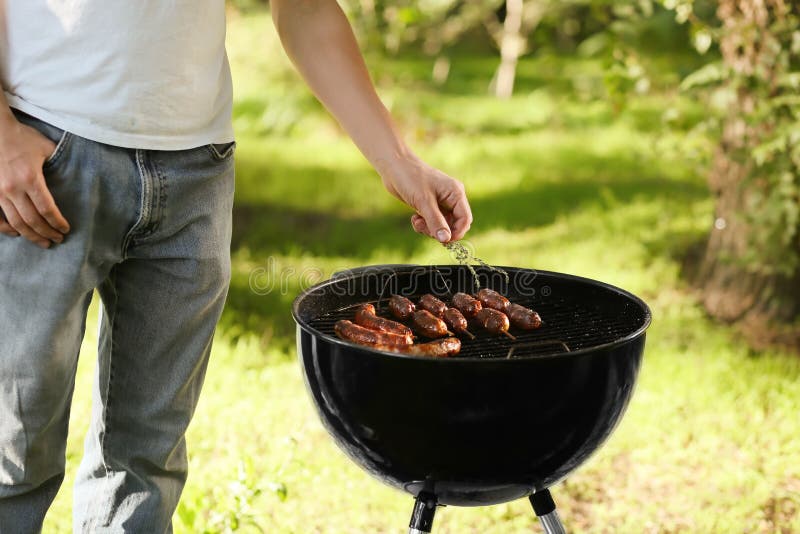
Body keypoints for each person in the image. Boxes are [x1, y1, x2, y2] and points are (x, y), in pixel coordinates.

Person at [0, 1, 473, 531]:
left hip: (196, 172)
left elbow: (306, 8)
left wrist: (398, 160)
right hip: (44, 154)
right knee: (12, 452)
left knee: (145, 464)